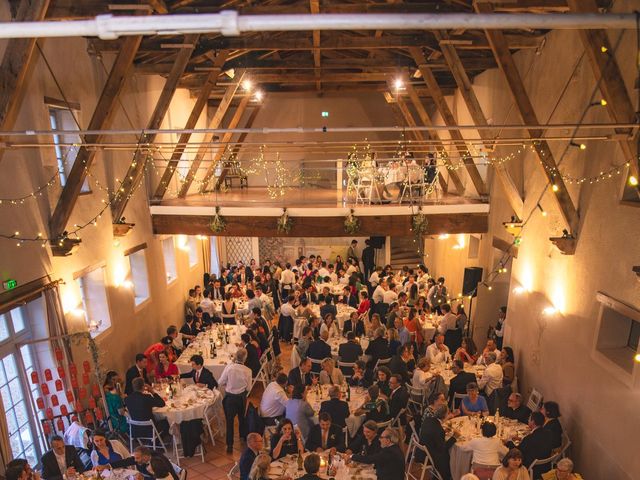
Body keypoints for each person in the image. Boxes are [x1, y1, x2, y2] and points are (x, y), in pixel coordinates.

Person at [219, 348, 252, 453]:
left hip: (230, 399)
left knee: (230, 422)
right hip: (241, 398)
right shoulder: (248, 371)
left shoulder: (229, 368)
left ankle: (229, 445)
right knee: (242, 418)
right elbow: (248, 388)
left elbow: (220, 382)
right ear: (245, 358)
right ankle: (242, 437)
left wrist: (228, 385)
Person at [506, 412, 553, 479]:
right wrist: (522, 439)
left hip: (533, 467)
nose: (528, 420)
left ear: (533, 422)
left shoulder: (530, 438)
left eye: (529, 419)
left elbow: (517, 452)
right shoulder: (548, 433)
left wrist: (509, 441)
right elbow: (537, 442)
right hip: (545, 465)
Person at [419, 404, 457, 479]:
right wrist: (454, 437)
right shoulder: (438, 430)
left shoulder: (428, 420)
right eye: (448, 413)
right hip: (431, 456)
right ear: (445, 415)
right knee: (452, 455)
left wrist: (444, 431)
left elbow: (434, 433)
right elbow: (443, 448)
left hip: (421, 450)